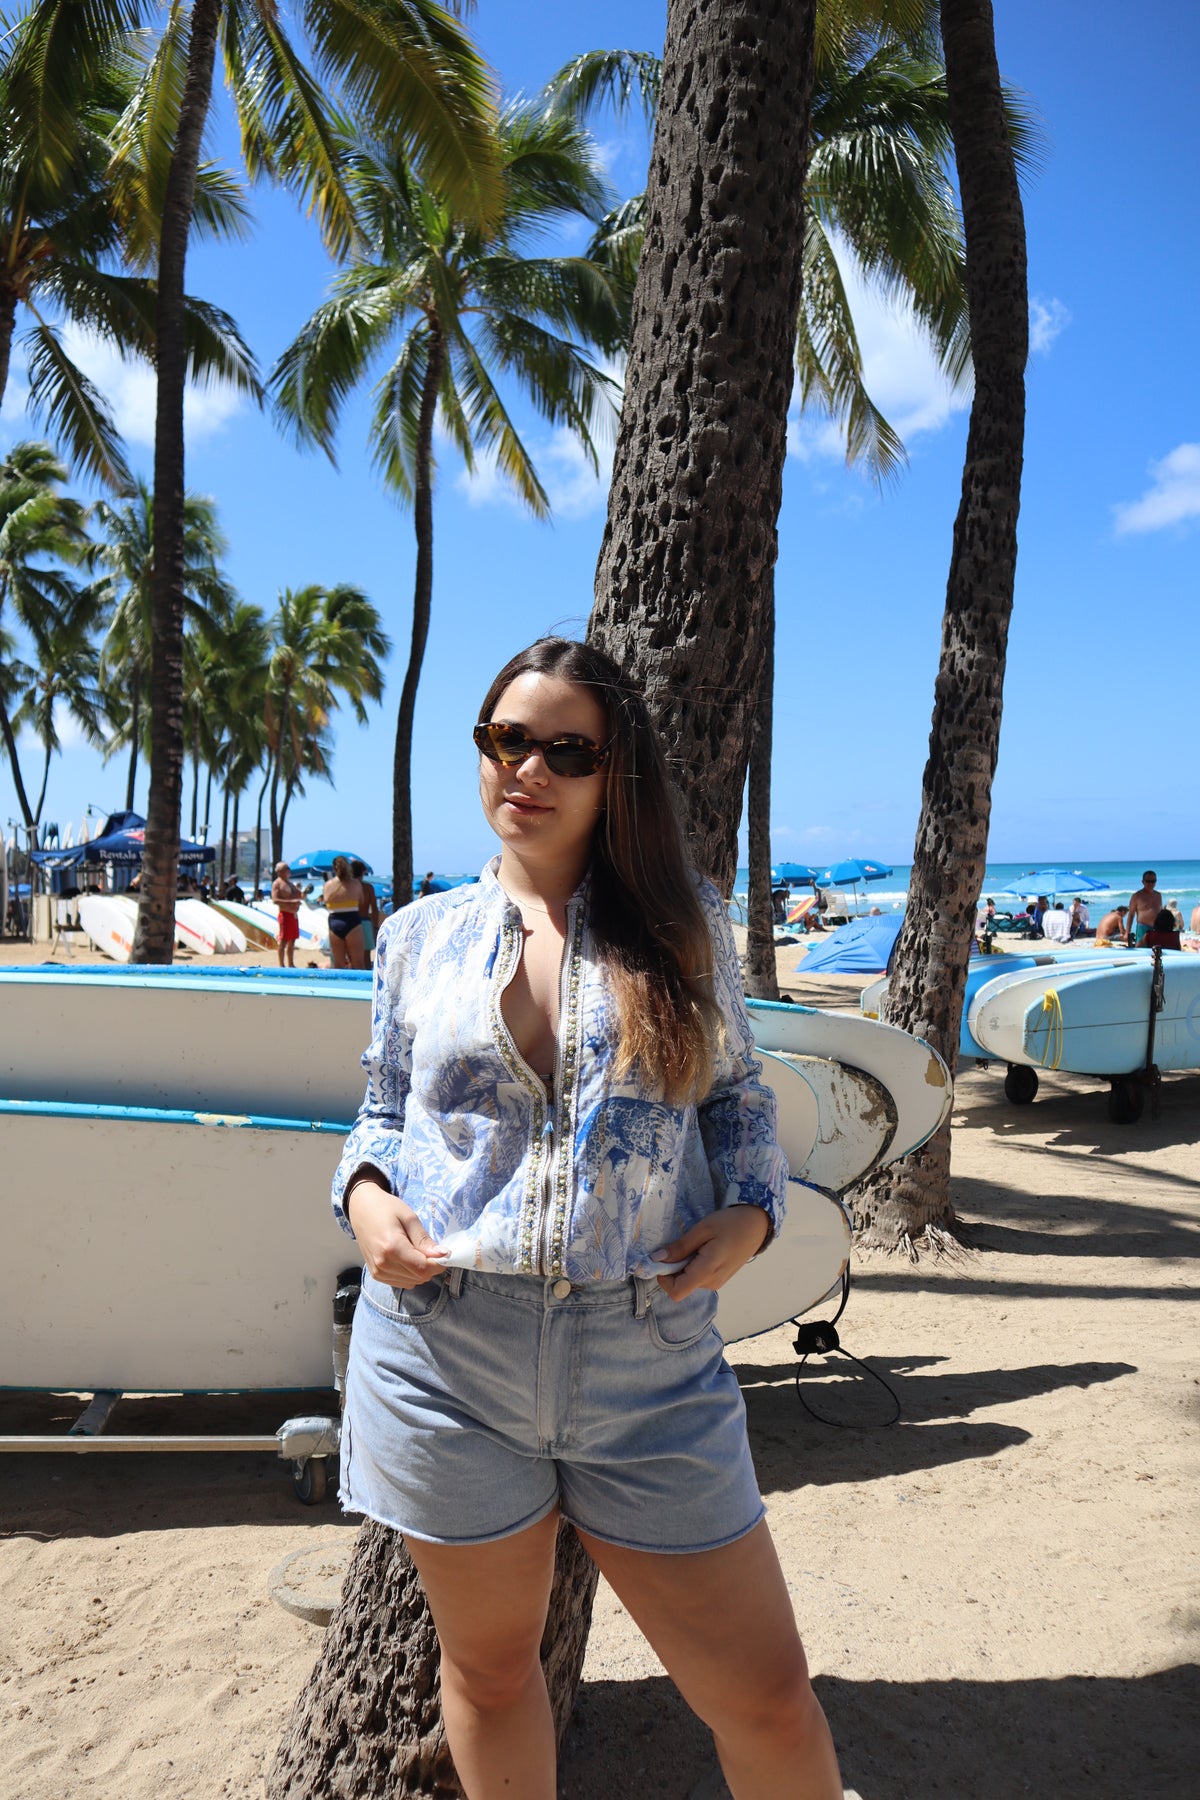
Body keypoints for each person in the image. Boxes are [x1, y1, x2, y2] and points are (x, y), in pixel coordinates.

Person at [333, 637, 844, 1800]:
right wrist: (365, 1202)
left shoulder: (682, 924)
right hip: (443, 1352)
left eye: (569, 749)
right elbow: (377, 1110)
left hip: (645, 1358)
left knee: (765, 1693)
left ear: (615, 775)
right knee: (493, 1675)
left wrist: (755, 1215)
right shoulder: (417, 938)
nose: (531, 769)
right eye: (508, 739)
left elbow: (737, 1096)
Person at [323, 854, 368, 970]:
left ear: (334, 869)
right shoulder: (355, 884)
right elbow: (361, 901)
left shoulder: (328, 885)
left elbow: (325, 901)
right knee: (358, 964)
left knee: (338, 965)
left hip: (335, 921)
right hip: (352, 920)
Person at [272, 861, 303, 968]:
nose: (289, 871)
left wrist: (299, 891)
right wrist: (291, 902)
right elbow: (275, 899)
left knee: (292, 940)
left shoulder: (289, 883)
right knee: (283, 939)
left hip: (293, 914)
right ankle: (281, 964)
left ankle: (291, 963)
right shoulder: (277, 883)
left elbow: (298, 896)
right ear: (280, 871)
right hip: (285, 913)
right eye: (286, 869)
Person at [351, 858, 380, 961]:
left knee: (351, 956)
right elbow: (374, 908)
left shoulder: (348, 887)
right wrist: (376, 926)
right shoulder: (368, 888)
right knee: (366, 956)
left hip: (351, 921)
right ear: (363, 872)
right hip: (365, 922)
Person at [1126, 870, 1164, 945]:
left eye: (1153, 881)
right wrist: (1127, 932)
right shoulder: (1137, 896)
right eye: (1148, 881)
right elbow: (1131, 915)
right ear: (1143, 882)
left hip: (1156, 929)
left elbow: (1160, 914)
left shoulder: (1158, 895)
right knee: (1142, 951)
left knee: (1156, 952)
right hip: (1142, 928)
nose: (1151, 884)